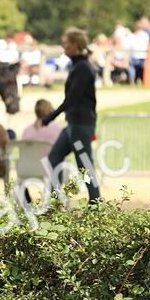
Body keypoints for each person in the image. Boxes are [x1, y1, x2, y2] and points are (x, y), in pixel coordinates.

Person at [42, 27, 101, 204]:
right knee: (54, 158)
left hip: (81, 125)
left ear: (76, 45)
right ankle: (54, 201)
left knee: (85, 166)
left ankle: (95, 202)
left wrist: (51, 116)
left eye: (66, 43)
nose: (64, 46)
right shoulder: (77, 65)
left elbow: (73, 98)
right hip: (73, 124)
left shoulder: (83, 67)